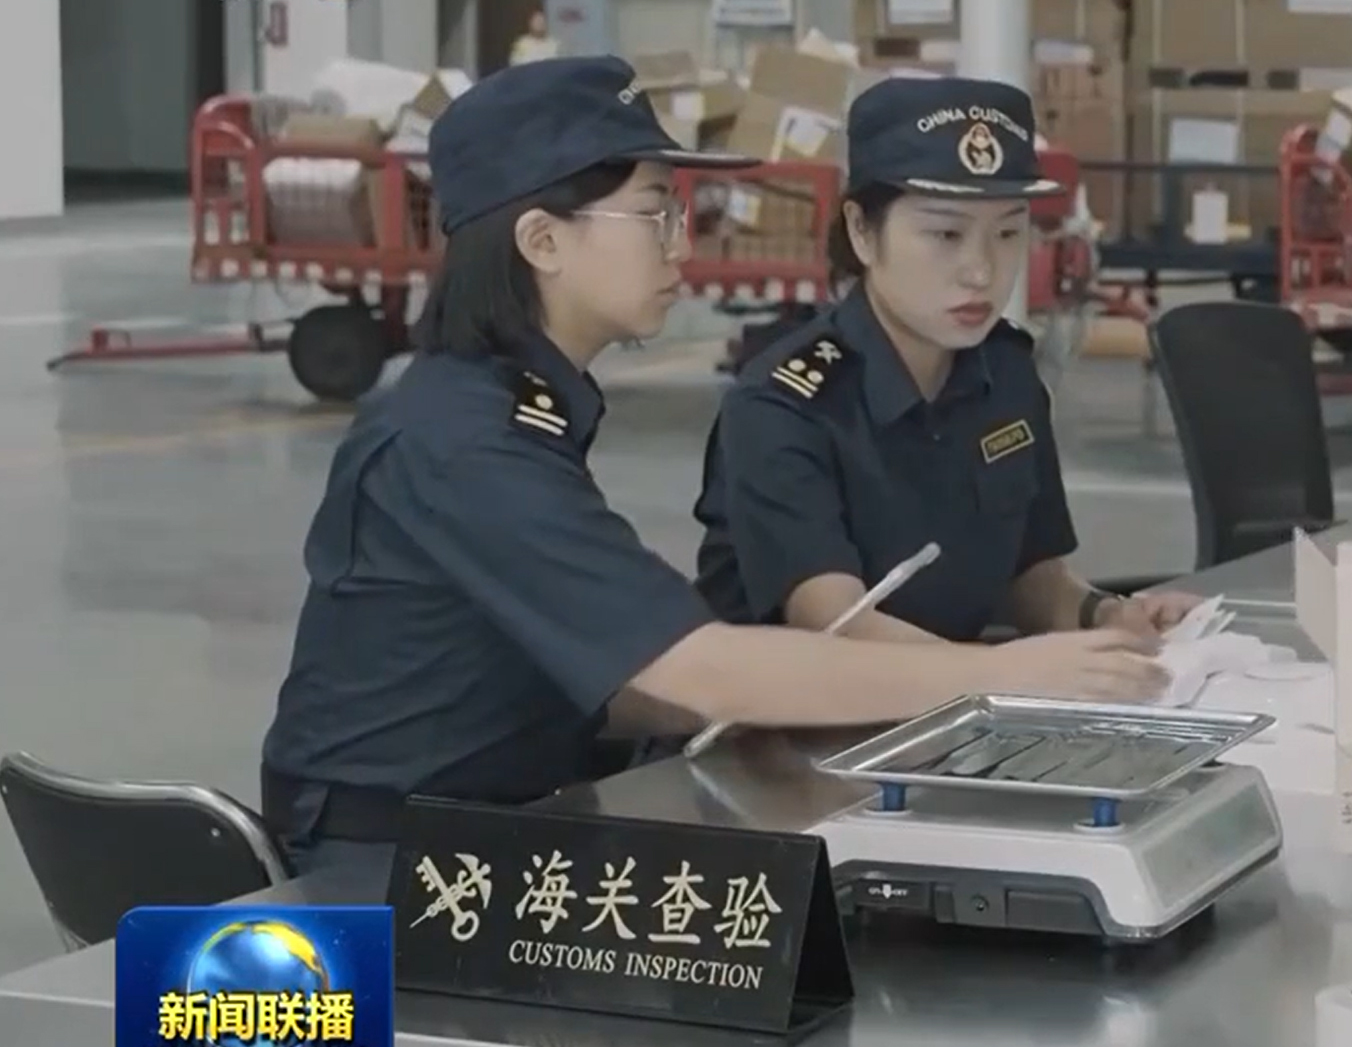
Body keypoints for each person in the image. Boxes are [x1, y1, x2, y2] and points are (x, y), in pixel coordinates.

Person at [259, 55, 1166, 879]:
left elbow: (624, 682)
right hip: (390, 864)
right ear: (541, 242)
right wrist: (1006, 679)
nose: (681, 244)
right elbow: (697, 667)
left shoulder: (520, 411)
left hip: (523, 811)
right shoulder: (462, 444)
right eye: (654, 213)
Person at [691, 75, 1199, 680]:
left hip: (960, 708)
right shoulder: (783, 405)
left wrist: (1108, 616)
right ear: (862, 231)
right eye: (945, 234)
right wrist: (1013, 671)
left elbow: (1030, 575)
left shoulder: (1006, 374)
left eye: (1008, 232)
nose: (981, 271)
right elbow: (834, 623)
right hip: (785, 725)